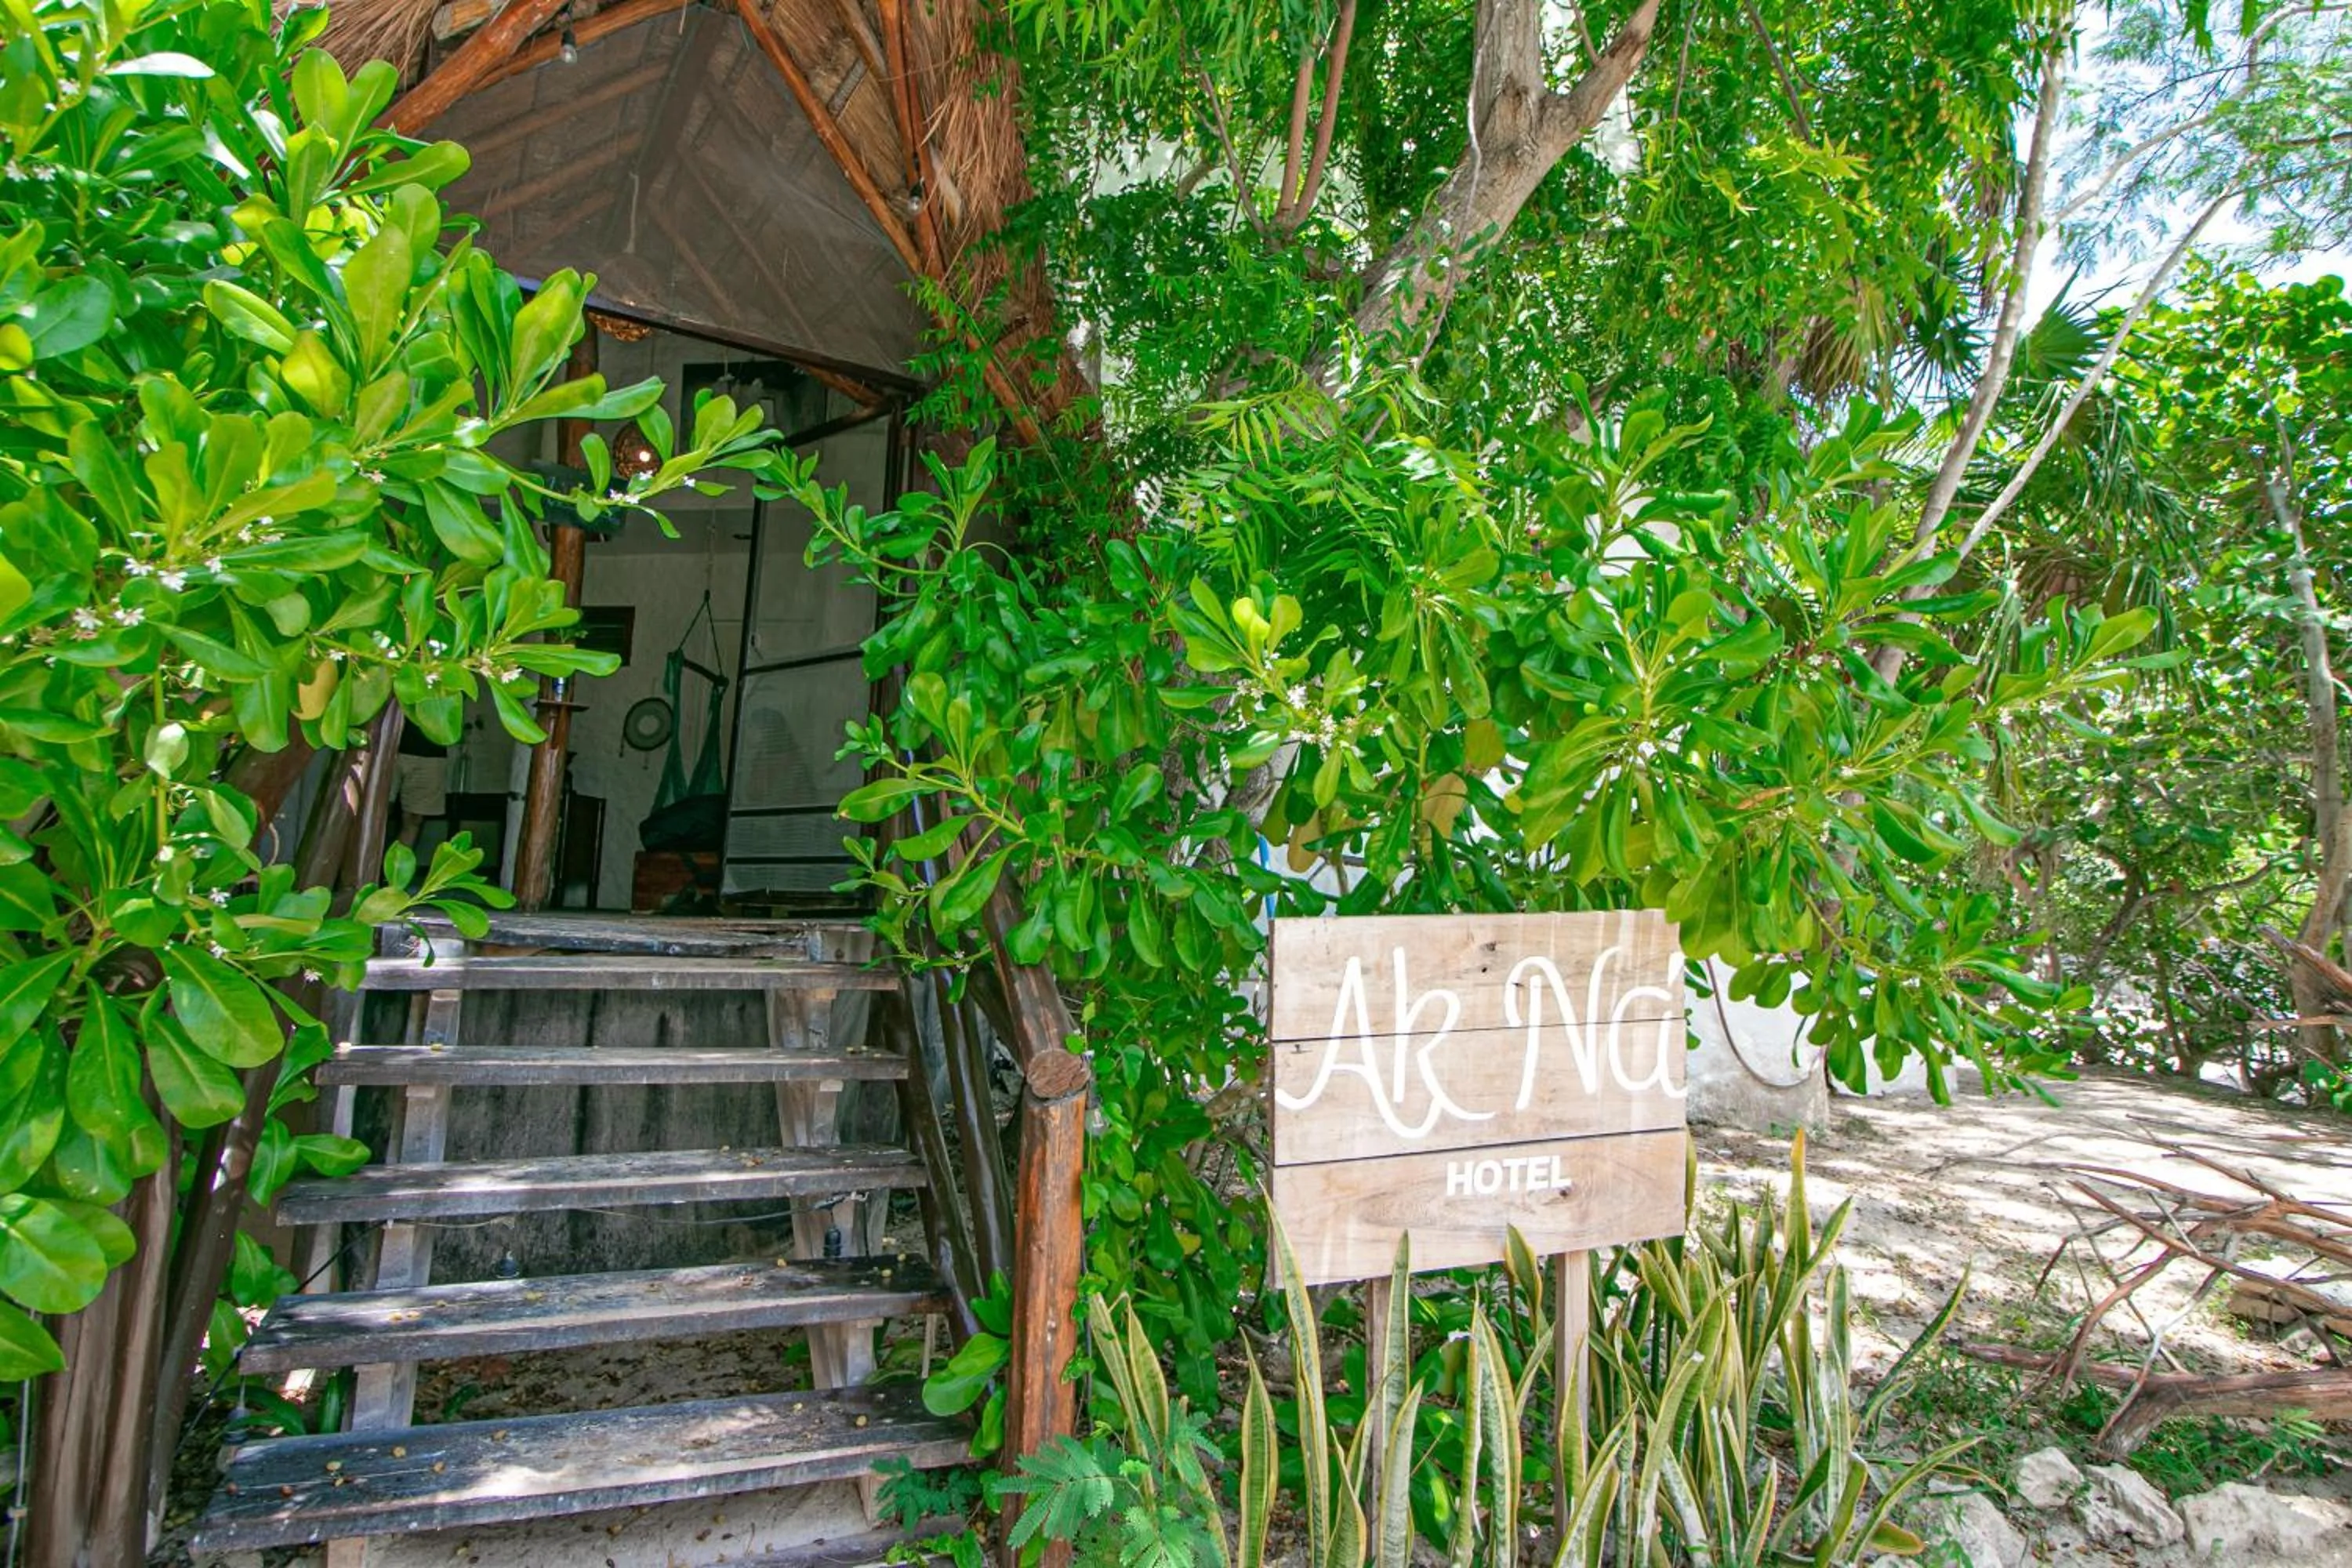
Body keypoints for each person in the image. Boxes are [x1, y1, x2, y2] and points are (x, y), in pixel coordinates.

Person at [394, 723, 449, 848]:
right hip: (385, 747)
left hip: (430, 751)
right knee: (374, 813)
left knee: (414, 818)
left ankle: (398, 866)